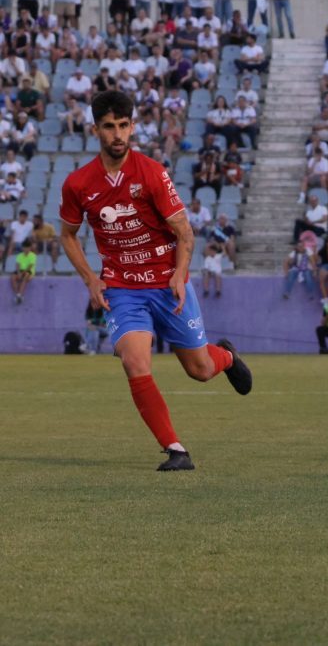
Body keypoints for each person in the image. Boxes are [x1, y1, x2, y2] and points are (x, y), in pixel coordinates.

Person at [59, 91, 252, 471]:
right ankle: (176, 450)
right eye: (109, 126)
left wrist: (179, 274)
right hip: (122, 288)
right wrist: (91, 280)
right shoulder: (78, 184)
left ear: (132, 127)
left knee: (200, 370)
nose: (117, 134)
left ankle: (226, 356)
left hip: (166, 283)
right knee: (134, 361)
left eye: (123, 125)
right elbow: (67, 235)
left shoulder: (152, 173)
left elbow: (185, 232)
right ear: (95, 130)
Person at [10, 238, 34, 304]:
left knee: (25, 276)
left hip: (28, 271)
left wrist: (22, 273)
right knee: (12, 277)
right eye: (25, 247)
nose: (26, 249)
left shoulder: (33, 256)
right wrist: (18, 273)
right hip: (20, 270)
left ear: (30, 248)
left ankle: (20, 294)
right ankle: (18, 294)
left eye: (27, 248)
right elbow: (17, 265)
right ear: (23, 248)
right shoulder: (19, 255)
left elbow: (30, 266)